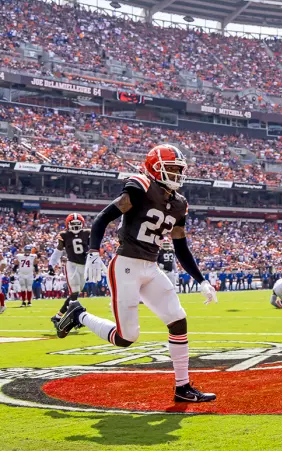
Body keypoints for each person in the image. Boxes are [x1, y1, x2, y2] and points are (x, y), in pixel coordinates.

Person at [57, 144, 218, 403]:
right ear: (155, 168)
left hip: (151, 268)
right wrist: (94, 251)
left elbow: (180, 246)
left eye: (179, 170)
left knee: (178, 320)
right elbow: (103, 217)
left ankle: (182, 387)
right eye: (172, 169)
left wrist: (201, 280)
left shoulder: (179, 204)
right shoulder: (140, 186)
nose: (177, 174)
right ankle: (80, 314)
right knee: (126, 338)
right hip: (126, 266)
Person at [49, 213, 91, 329]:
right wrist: (51, 265)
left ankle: (58, 317)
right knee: (74, 291)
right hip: (71, 264)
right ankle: (75, 317)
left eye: (78, 224)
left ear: (82, 224)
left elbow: (94, 247)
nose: (76, 226)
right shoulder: (64, 235)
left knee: (76, 293)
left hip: (84, 265)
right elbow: (58, 251)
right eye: (73, 224)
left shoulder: (87, 233)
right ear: (68, 224)